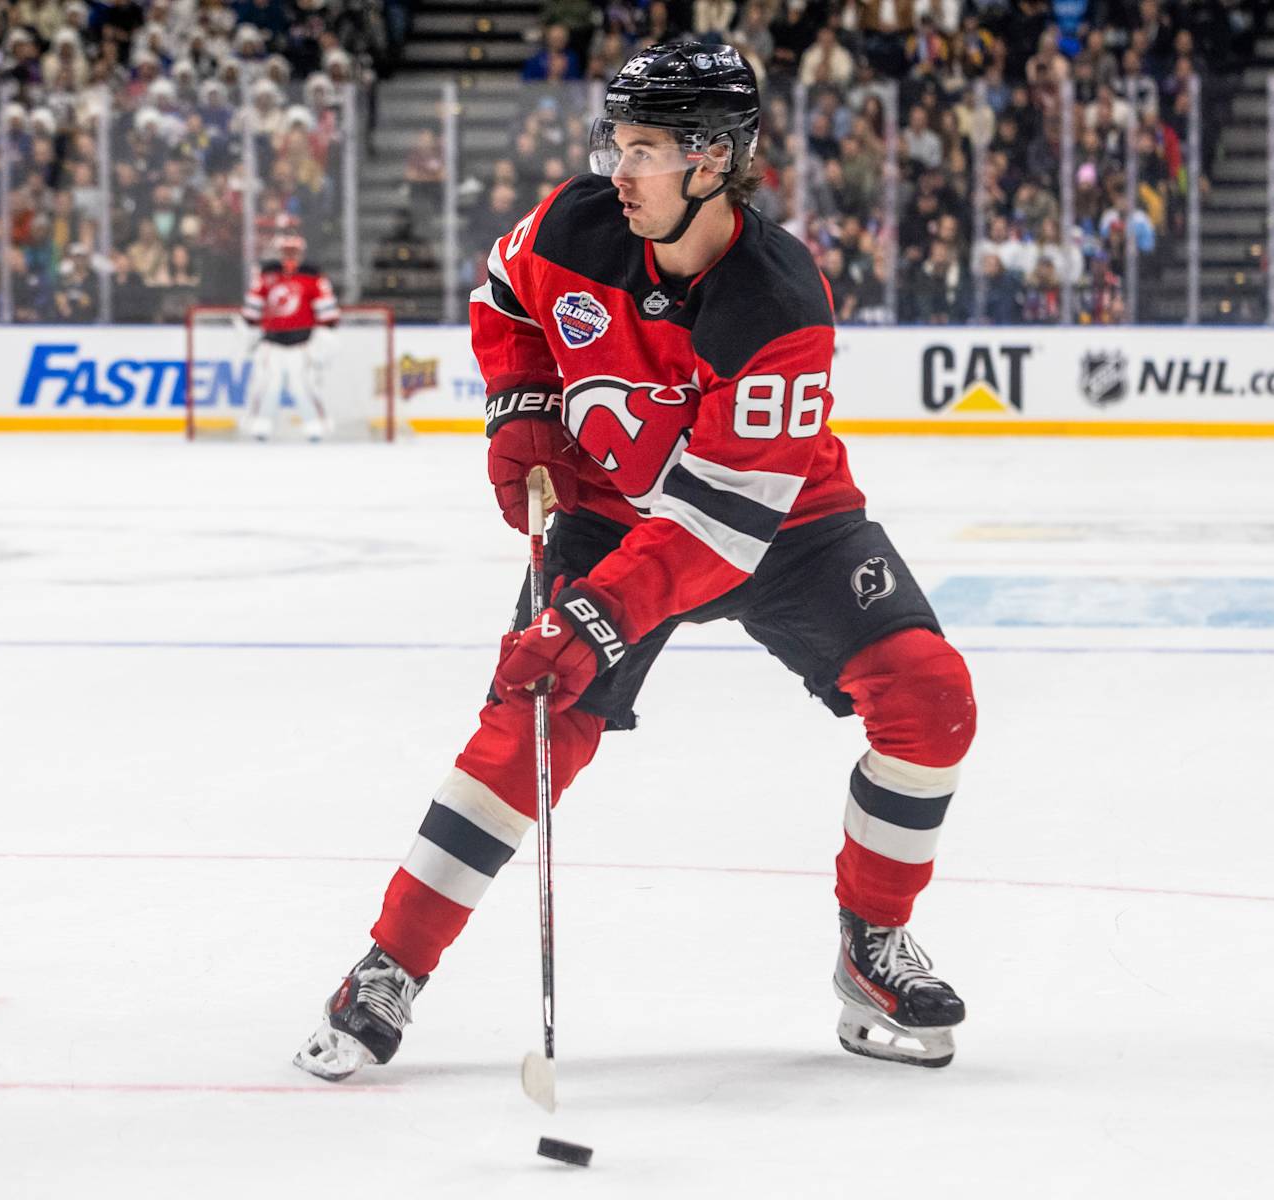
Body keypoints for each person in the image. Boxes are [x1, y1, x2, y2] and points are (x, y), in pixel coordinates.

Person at [293, 41, 977, 1079]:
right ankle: (391, 964)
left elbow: (721, 526)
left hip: (780, 519)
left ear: (714, 160)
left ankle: (871, 941)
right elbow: (503, 293)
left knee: (931, 697)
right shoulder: (577, 223)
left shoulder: (778, 300)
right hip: (607, 512)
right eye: (614, 139)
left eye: (644, 147)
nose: (617, 167)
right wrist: (522, 411)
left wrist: (591, 620)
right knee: (527, 725)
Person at [240, 226, 340, 441]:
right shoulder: (266, 275)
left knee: (304, 386)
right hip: (272, 342)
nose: (289, 257)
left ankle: (316, 424)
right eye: (286, 252)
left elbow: (329, 314)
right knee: (267, 384)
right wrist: (251, 332)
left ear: (301, 253)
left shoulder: (313, 277)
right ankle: (260, 424)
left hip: (302, 343)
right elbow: (251, 310)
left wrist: (322, 340)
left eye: (293, 252)